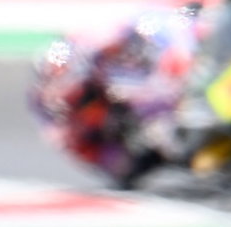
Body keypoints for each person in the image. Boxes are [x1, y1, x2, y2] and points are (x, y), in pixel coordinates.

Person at [29, 4, 202, 187]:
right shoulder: (51, 112)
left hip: (161, 83)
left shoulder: (104, 47)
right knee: (126, 168)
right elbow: (79, 147)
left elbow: (170, 36)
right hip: (131, 140)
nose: (57, 92)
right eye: (53, 81)